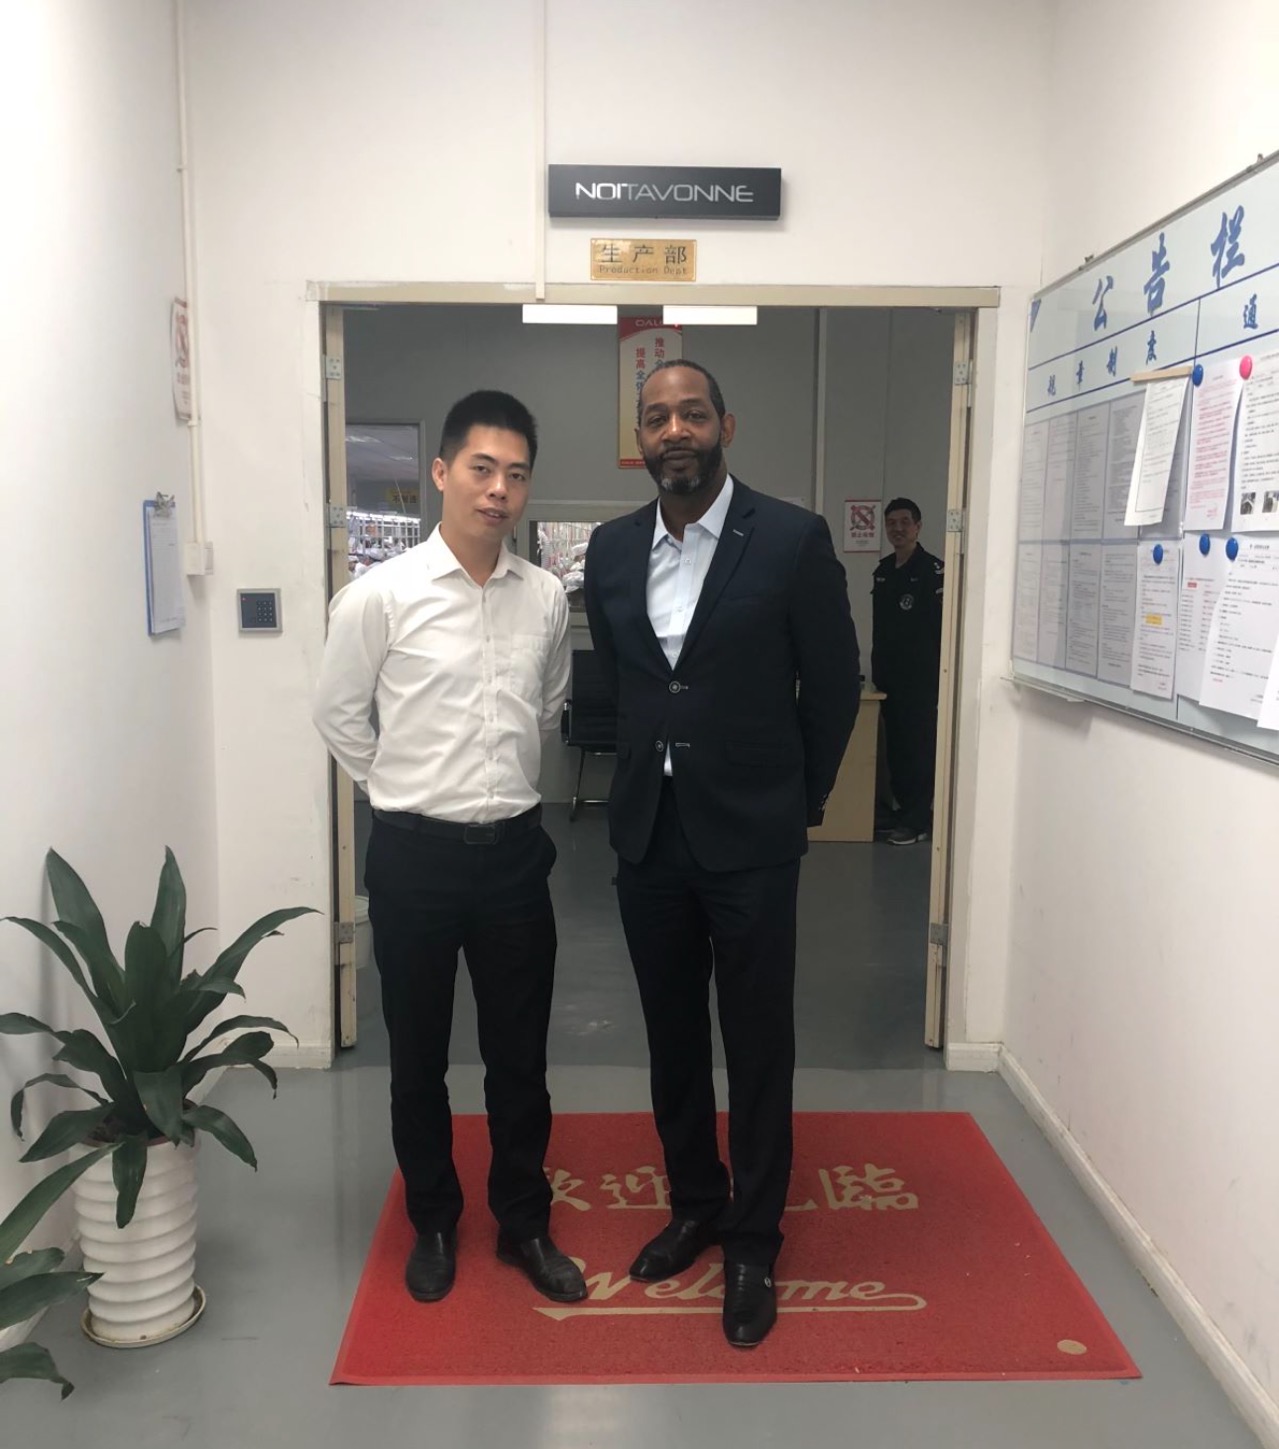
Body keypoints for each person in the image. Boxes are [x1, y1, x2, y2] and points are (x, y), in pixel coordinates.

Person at [584, 360, 860, 1348]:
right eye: (656, 417)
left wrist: (797, 799)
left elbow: (833, 684)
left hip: (751, 839)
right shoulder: (613, 549)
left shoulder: (789, 538)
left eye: (691, 413)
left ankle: (752, 1237)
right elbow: (624, 680)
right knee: (670, 1038)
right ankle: (695, 1203)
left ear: (724, 426)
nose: (674, 430)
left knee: (755, 1041)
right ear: (640, 438)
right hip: (648, 837)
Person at [312, 390, 586, 1307]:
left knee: (520, 1059)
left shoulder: (543, 597)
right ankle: (432, 1218)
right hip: (414, 862)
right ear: (441, 473)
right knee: (417, 1056)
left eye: (516, 474)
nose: (498, 489)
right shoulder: (379, 596)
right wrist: (400, 789)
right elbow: (338, 714)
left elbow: (545, 706)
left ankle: (523, 1222)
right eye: (481, 468)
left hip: (514, 859)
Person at [871, 497, 944, 846]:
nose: (897, 529)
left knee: (918, 750)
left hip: (921, 681)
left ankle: (918, 820)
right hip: (889, 679)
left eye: (904, 522)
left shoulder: (933, 571)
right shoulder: (884, 570)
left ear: (918, 526)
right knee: (896, 751)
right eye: (891, 523)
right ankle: (903, 812)